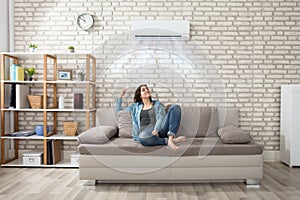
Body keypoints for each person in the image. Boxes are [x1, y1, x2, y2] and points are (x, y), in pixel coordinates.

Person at [116, 84, 186, 151]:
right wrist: (120, 96)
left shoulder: (157, 104)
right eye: (143, 90)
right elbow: (119, 112)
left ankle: (170, 139)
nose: (146, 90)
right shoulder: (135, 107)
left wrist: (156, 129)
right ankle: (170, 141)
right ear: (140, 96)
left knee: (175, 107)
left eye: (147, 89)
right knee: (142, 137)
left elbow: (161, 117)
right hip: (147, 133)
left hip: (161, 129)